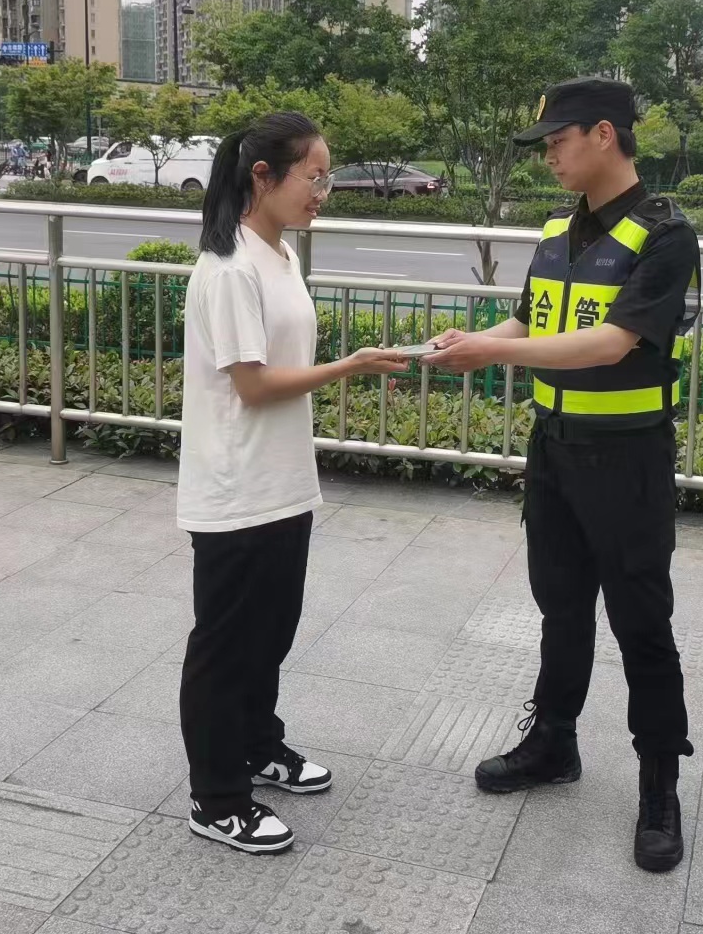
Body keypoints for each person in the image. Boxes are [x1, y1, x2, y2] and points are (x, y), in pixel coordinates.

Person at [427, 78, 701, 873]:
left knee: (642, 623)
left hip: (628, 459)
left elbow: (614, 343)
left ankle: (659, 783)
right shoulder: (556, 230)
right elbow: (529, 320)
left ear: (604, 134)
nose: (548, 155)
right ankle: (554, 741)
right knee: (561, 607)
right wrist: (471, 341)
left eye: (558, 141)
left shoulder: (665, 235)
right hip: (554, 450)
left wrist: (495, 351)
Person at [177, 112, 407, 855]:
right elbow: (252, 384)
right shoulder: (229, 268)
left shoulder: (278, 255)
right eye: (314, 177)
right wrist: (350, 366)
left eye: (326, 178)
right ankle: (216, 798)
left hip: (281, 482)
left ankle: (257, 746)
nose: (322, 192)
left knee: (269, 634)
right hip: (235, 488)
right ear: (263, 176)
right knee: (226, 646)